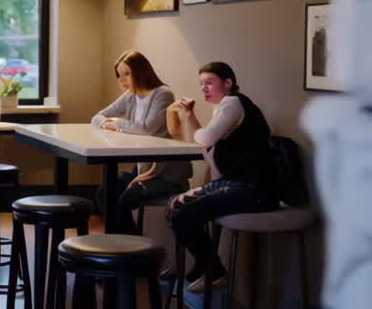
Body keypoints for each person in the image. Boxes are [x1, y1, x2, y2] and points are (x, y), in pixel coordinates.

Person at [165, 62, 275, 292]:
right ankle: (207, 267)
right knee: (175, 206)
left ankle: (211, 269)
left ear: (228, 83)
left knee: (183, 212)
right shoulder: (226, 108)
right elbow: (207, 147)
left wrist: (193, 123)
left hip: (254, 189)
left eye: (209, 82)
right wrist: (190, 115)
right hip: (237, 182)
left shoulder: (232, 104)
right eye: (201, 84)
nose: (204, 89)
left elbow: (204, 138)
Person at [91, 50, 191, 235]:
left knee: (124, 199)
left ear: (141, 71)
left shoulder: (163, 94)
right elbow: (97, 117)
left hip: (166, 175)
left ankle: (133, 251)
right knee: (104, 192)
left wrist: (117, 124)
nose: (123, 80)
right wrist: (106, 122)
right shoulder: (131, 95)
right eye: (119, 76)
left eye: (127, 74)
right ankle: (126, 247)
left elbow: (147, 128)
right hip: (144, 171)